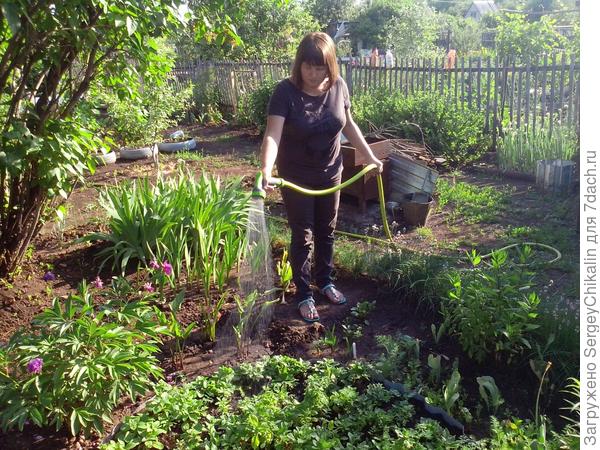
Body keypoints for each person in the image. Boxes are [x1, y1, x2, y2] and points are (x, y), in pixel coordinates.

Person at [259, 32, 383, 323]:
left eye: (320, 68)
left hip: (331, 171)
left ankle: (324, 281)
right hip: (297, 176)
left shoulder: (339, 86)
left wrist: (370, 156)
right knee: (303, 235)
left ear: (330, 66)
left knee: (327, 230)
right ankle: (304, 294)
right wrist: (266, 168)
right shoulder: (285, 92)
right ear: (299, 63)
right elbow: (272, 136)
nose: (314, 74)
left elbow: (349, 124)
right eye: (308, 66)